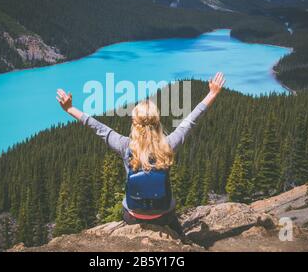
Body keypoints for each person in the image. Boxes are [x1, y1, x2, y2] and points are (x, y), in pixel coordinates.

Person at [56, 72, 225, 236]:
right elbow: (191, 121)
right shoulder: (168, 145)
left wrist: (70, 108)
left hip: (133, 215)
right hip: (164, 214)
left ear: (134, 124)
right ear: (157, 123)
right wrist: (212, 93)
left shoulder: (124, 146)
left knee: (128, 204)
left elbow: (98, 128)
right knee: (176, 226)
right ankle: (179, 237)